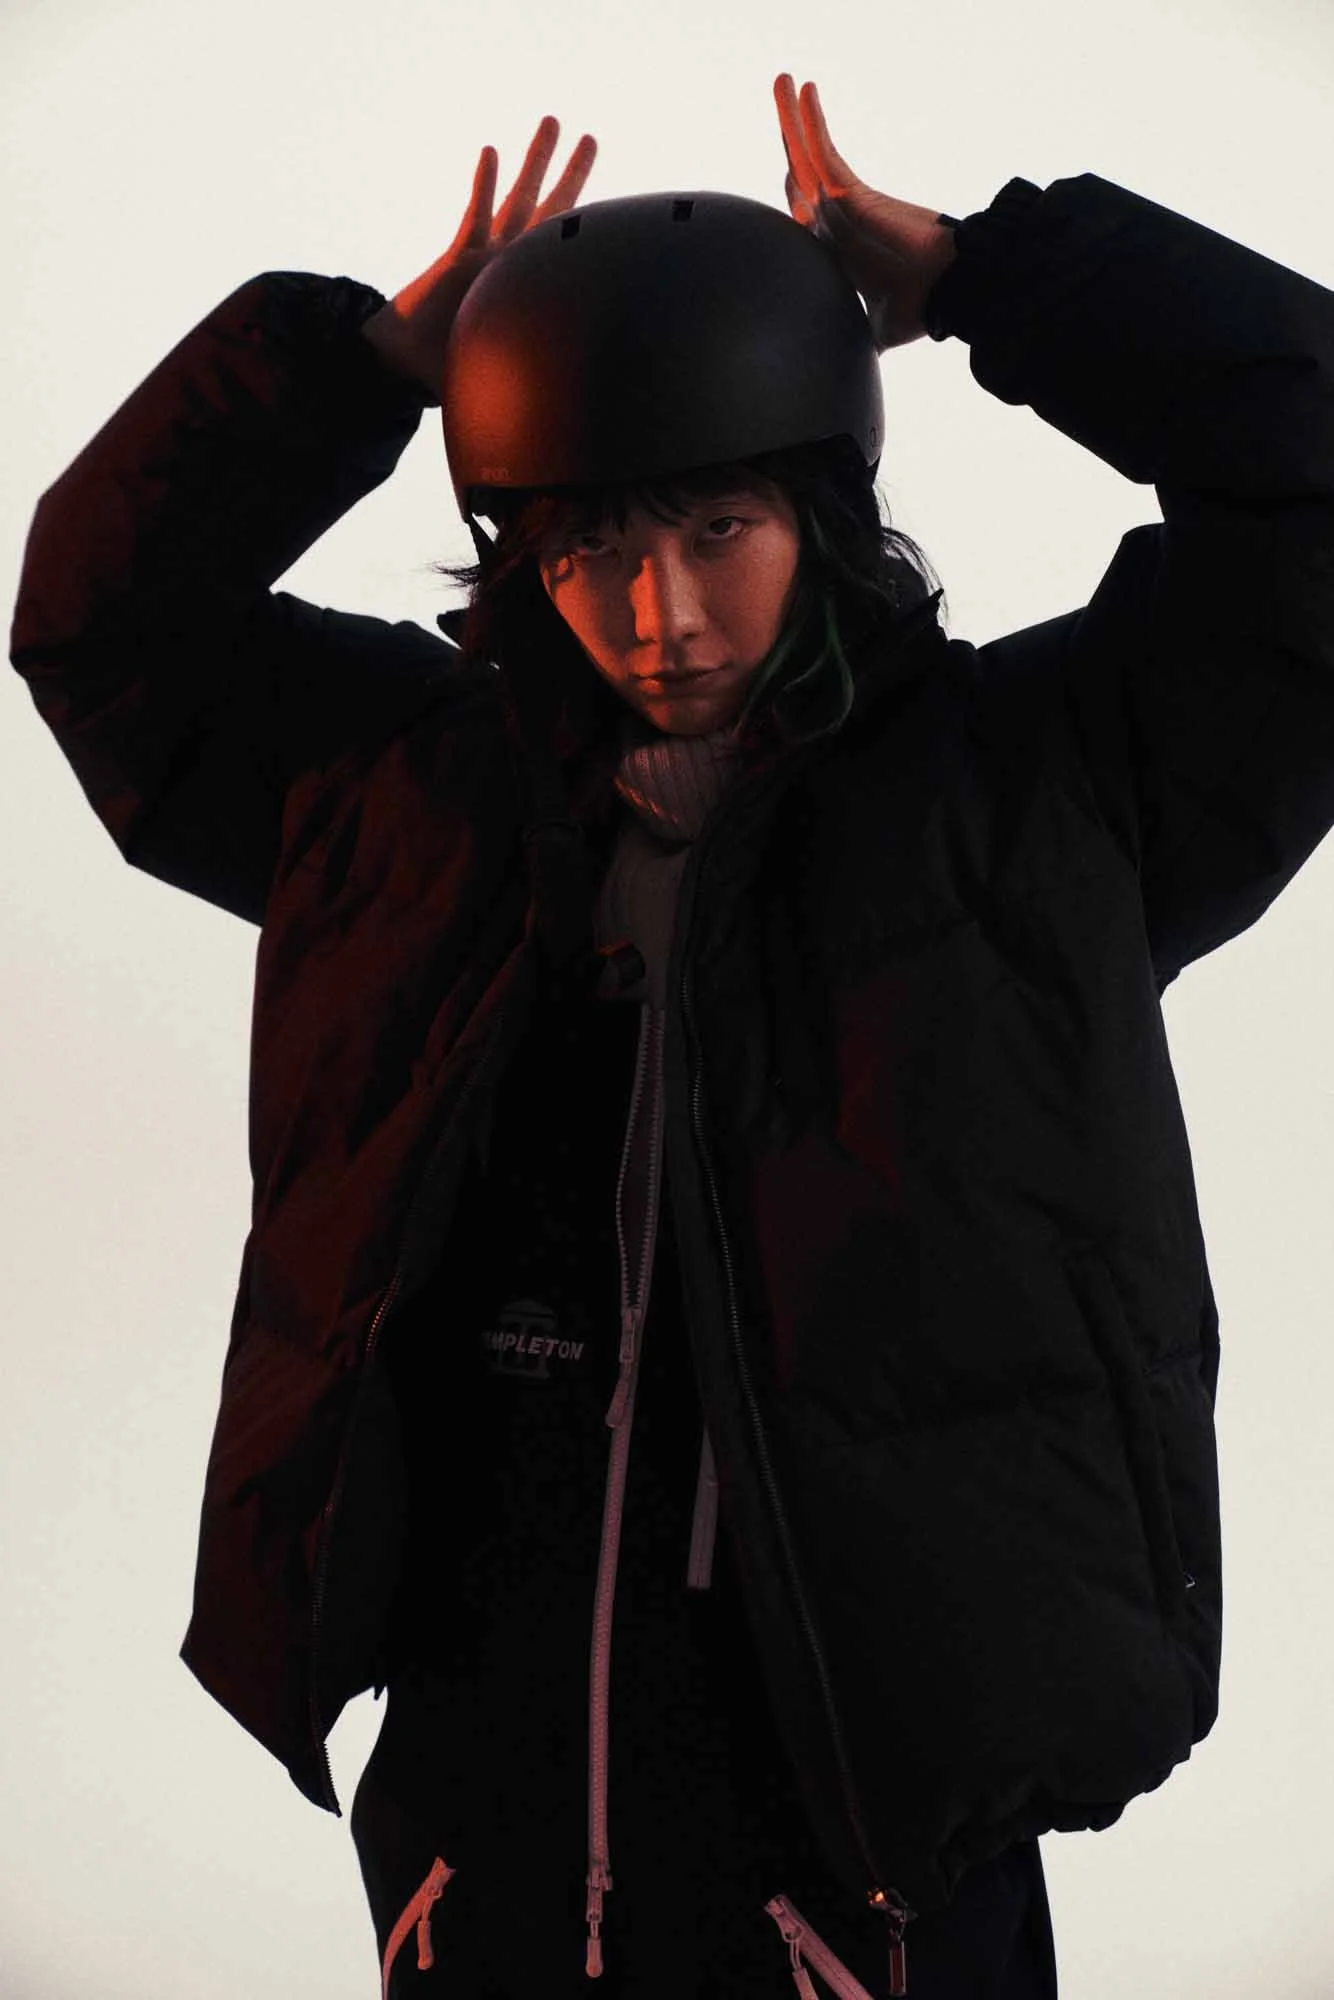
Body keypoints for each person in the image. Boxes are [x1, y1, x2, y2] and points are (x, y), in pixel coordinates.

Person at [10, 64, 1334, 2000]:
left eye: (718, 527)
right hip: (479, 1825)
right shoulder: (406, 805)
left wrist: (997, 275)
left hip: (871, 1823)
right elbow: (103, 620)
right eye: (587, 552)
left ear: (822, 507)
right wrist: (360, 372)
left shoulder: (1038, 799)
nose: (657, 613)